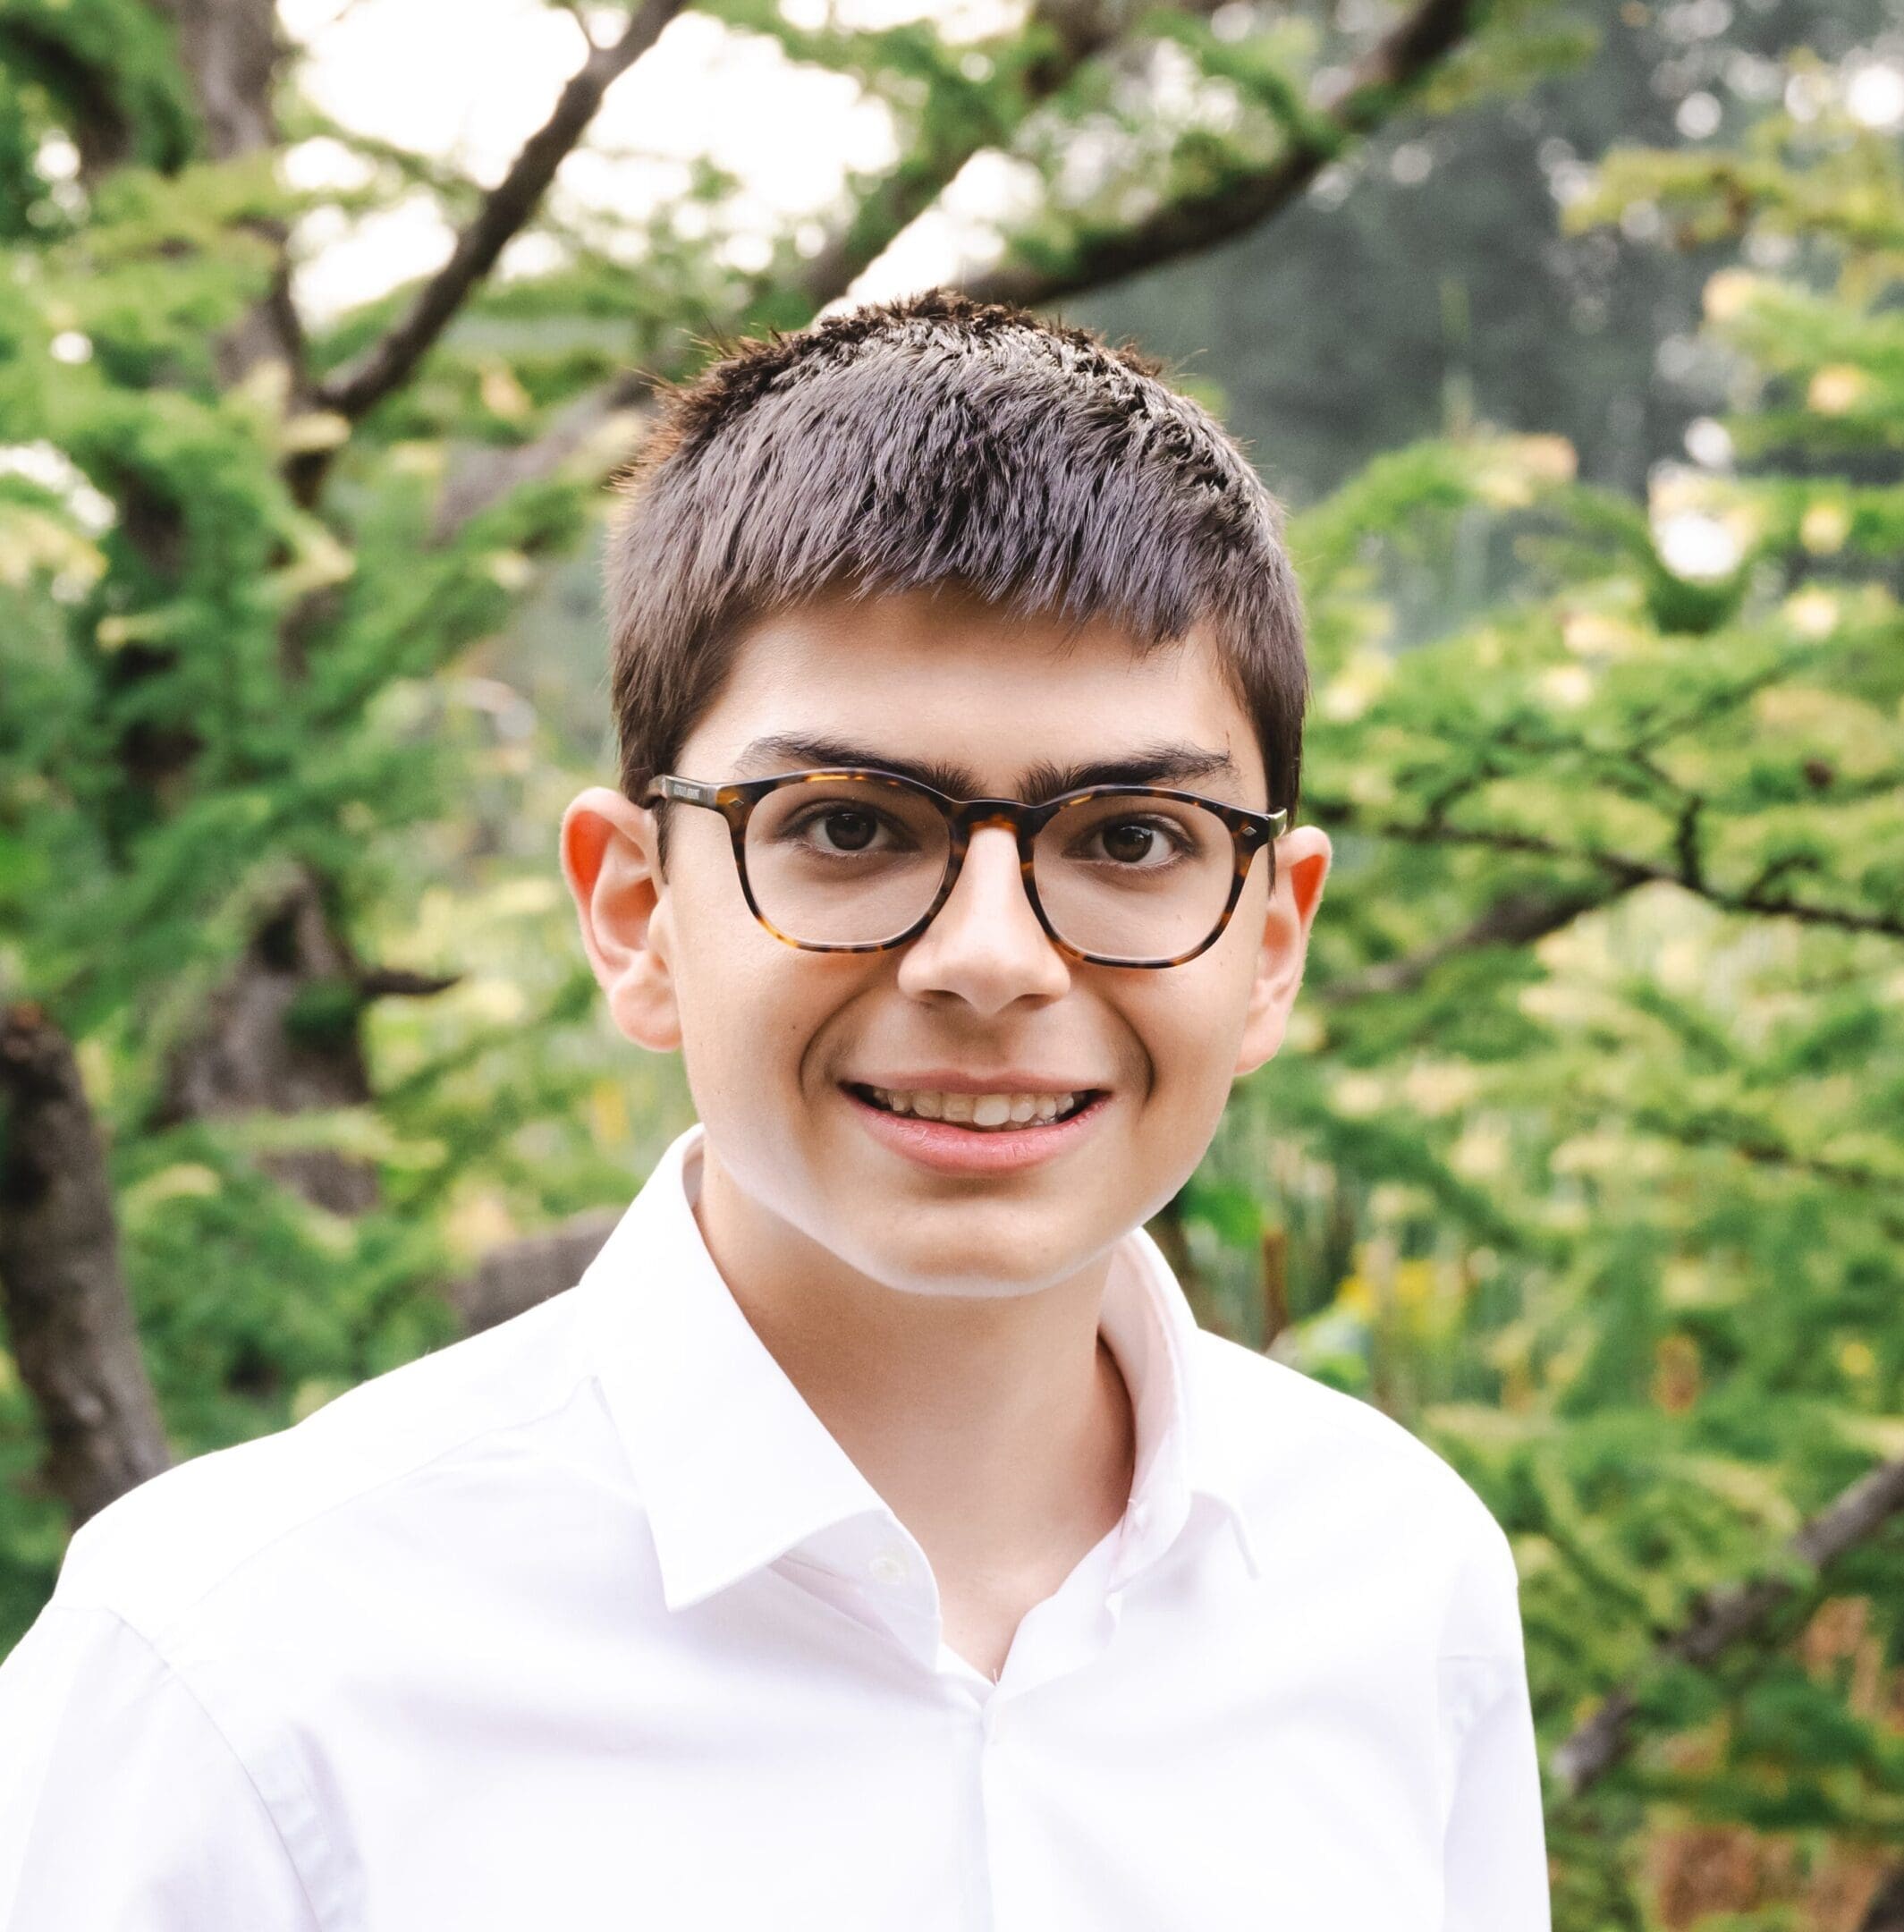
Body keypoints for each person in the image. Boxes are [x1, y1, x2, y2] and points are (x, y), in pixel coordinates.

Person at [0, 289, 1550, 1928]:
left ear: (1269, 941)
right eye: (851, 826)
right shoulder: (236, 1668)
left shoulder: (1393, 1578)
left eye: (1132, 838)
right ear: (633, 911)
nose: (989, 962)